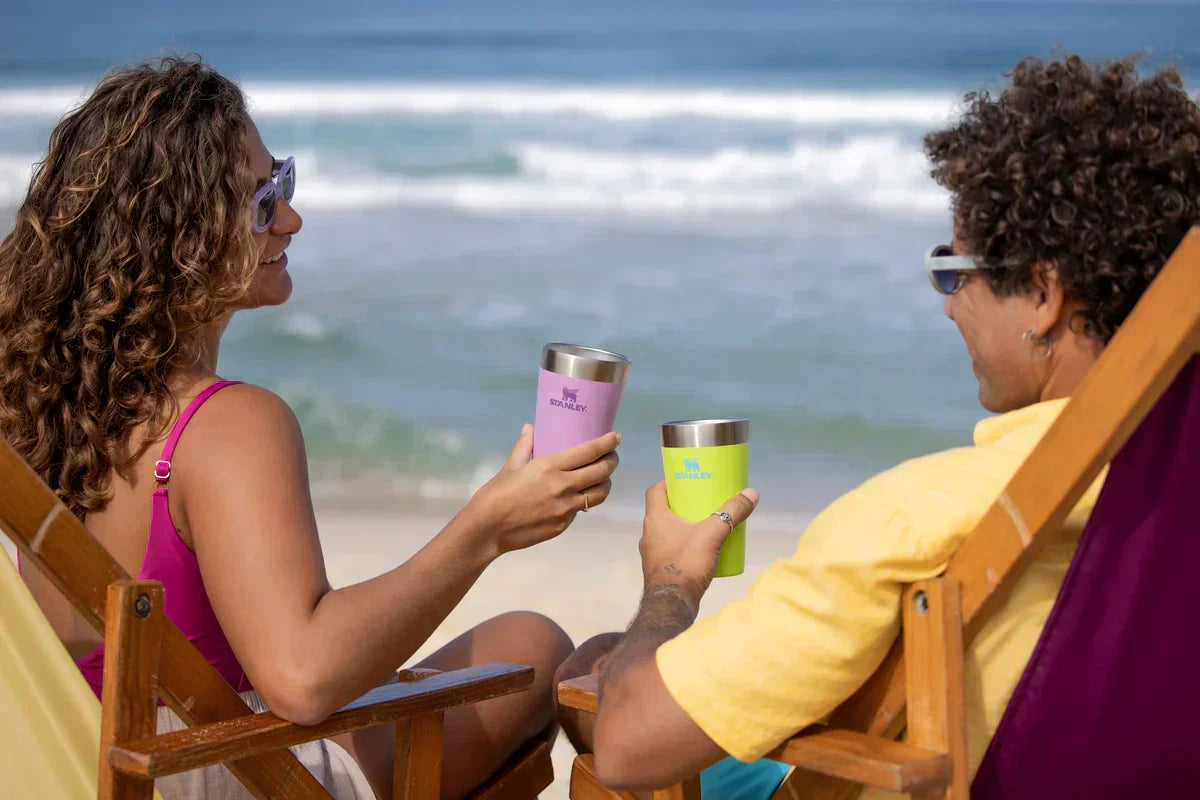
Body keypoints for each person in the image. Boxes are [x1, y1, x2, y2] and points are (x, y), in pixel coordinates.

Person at [555, 55, 1200, 798]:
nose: (949, 304)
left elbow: (634, 748)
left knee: (593, 701)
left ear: (1046, 296)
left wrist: (671, 582)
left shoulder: (923, 519)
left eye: (953, 270)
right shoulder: (1164, 501)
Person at [0, 57, 621, 800]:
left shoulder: (46, 405)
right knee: (535, 647)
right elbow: (302, 678)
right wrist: (485, 530)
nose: (291, 219)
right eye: (263, 203)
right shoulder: (227, 424)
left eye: (283, 183)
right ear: (181, 239)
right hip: (197, 772)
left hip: (79, 761)